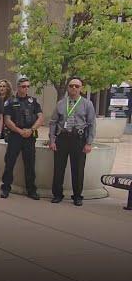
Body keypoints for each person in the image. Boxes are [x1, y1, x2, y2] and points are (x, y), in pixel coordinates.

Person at [49, 77, 96, 206]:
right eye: (71, 86)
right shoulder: (61, 103)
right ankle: (57, 194)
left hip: (78, 140)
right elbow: (53, 122)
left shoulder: (87, 104)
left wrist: (89, 143)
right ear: (68, 88)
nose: (73, 88)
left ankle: (77, 196)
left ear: (81, 88)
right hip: (62, 139)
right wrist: (52, 140)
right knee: (59, 169)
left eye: (76, 86)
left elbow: (92, 124)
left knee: (78, 169)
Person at [0, 77, 43, 200]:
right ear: (18, 87)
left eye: (28, 86)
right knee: (9, 162)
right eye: (24, 86)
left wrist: (31, 130)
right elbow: (7, 120)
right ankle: (5, 188)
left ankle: (31, 190)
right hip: (15, 135)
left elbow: (40, 118)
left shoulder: (33, 101)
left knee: (30, 164)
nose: (26, 89)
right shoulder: (10, 102)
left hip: (30, 136)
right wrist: (20, 131)